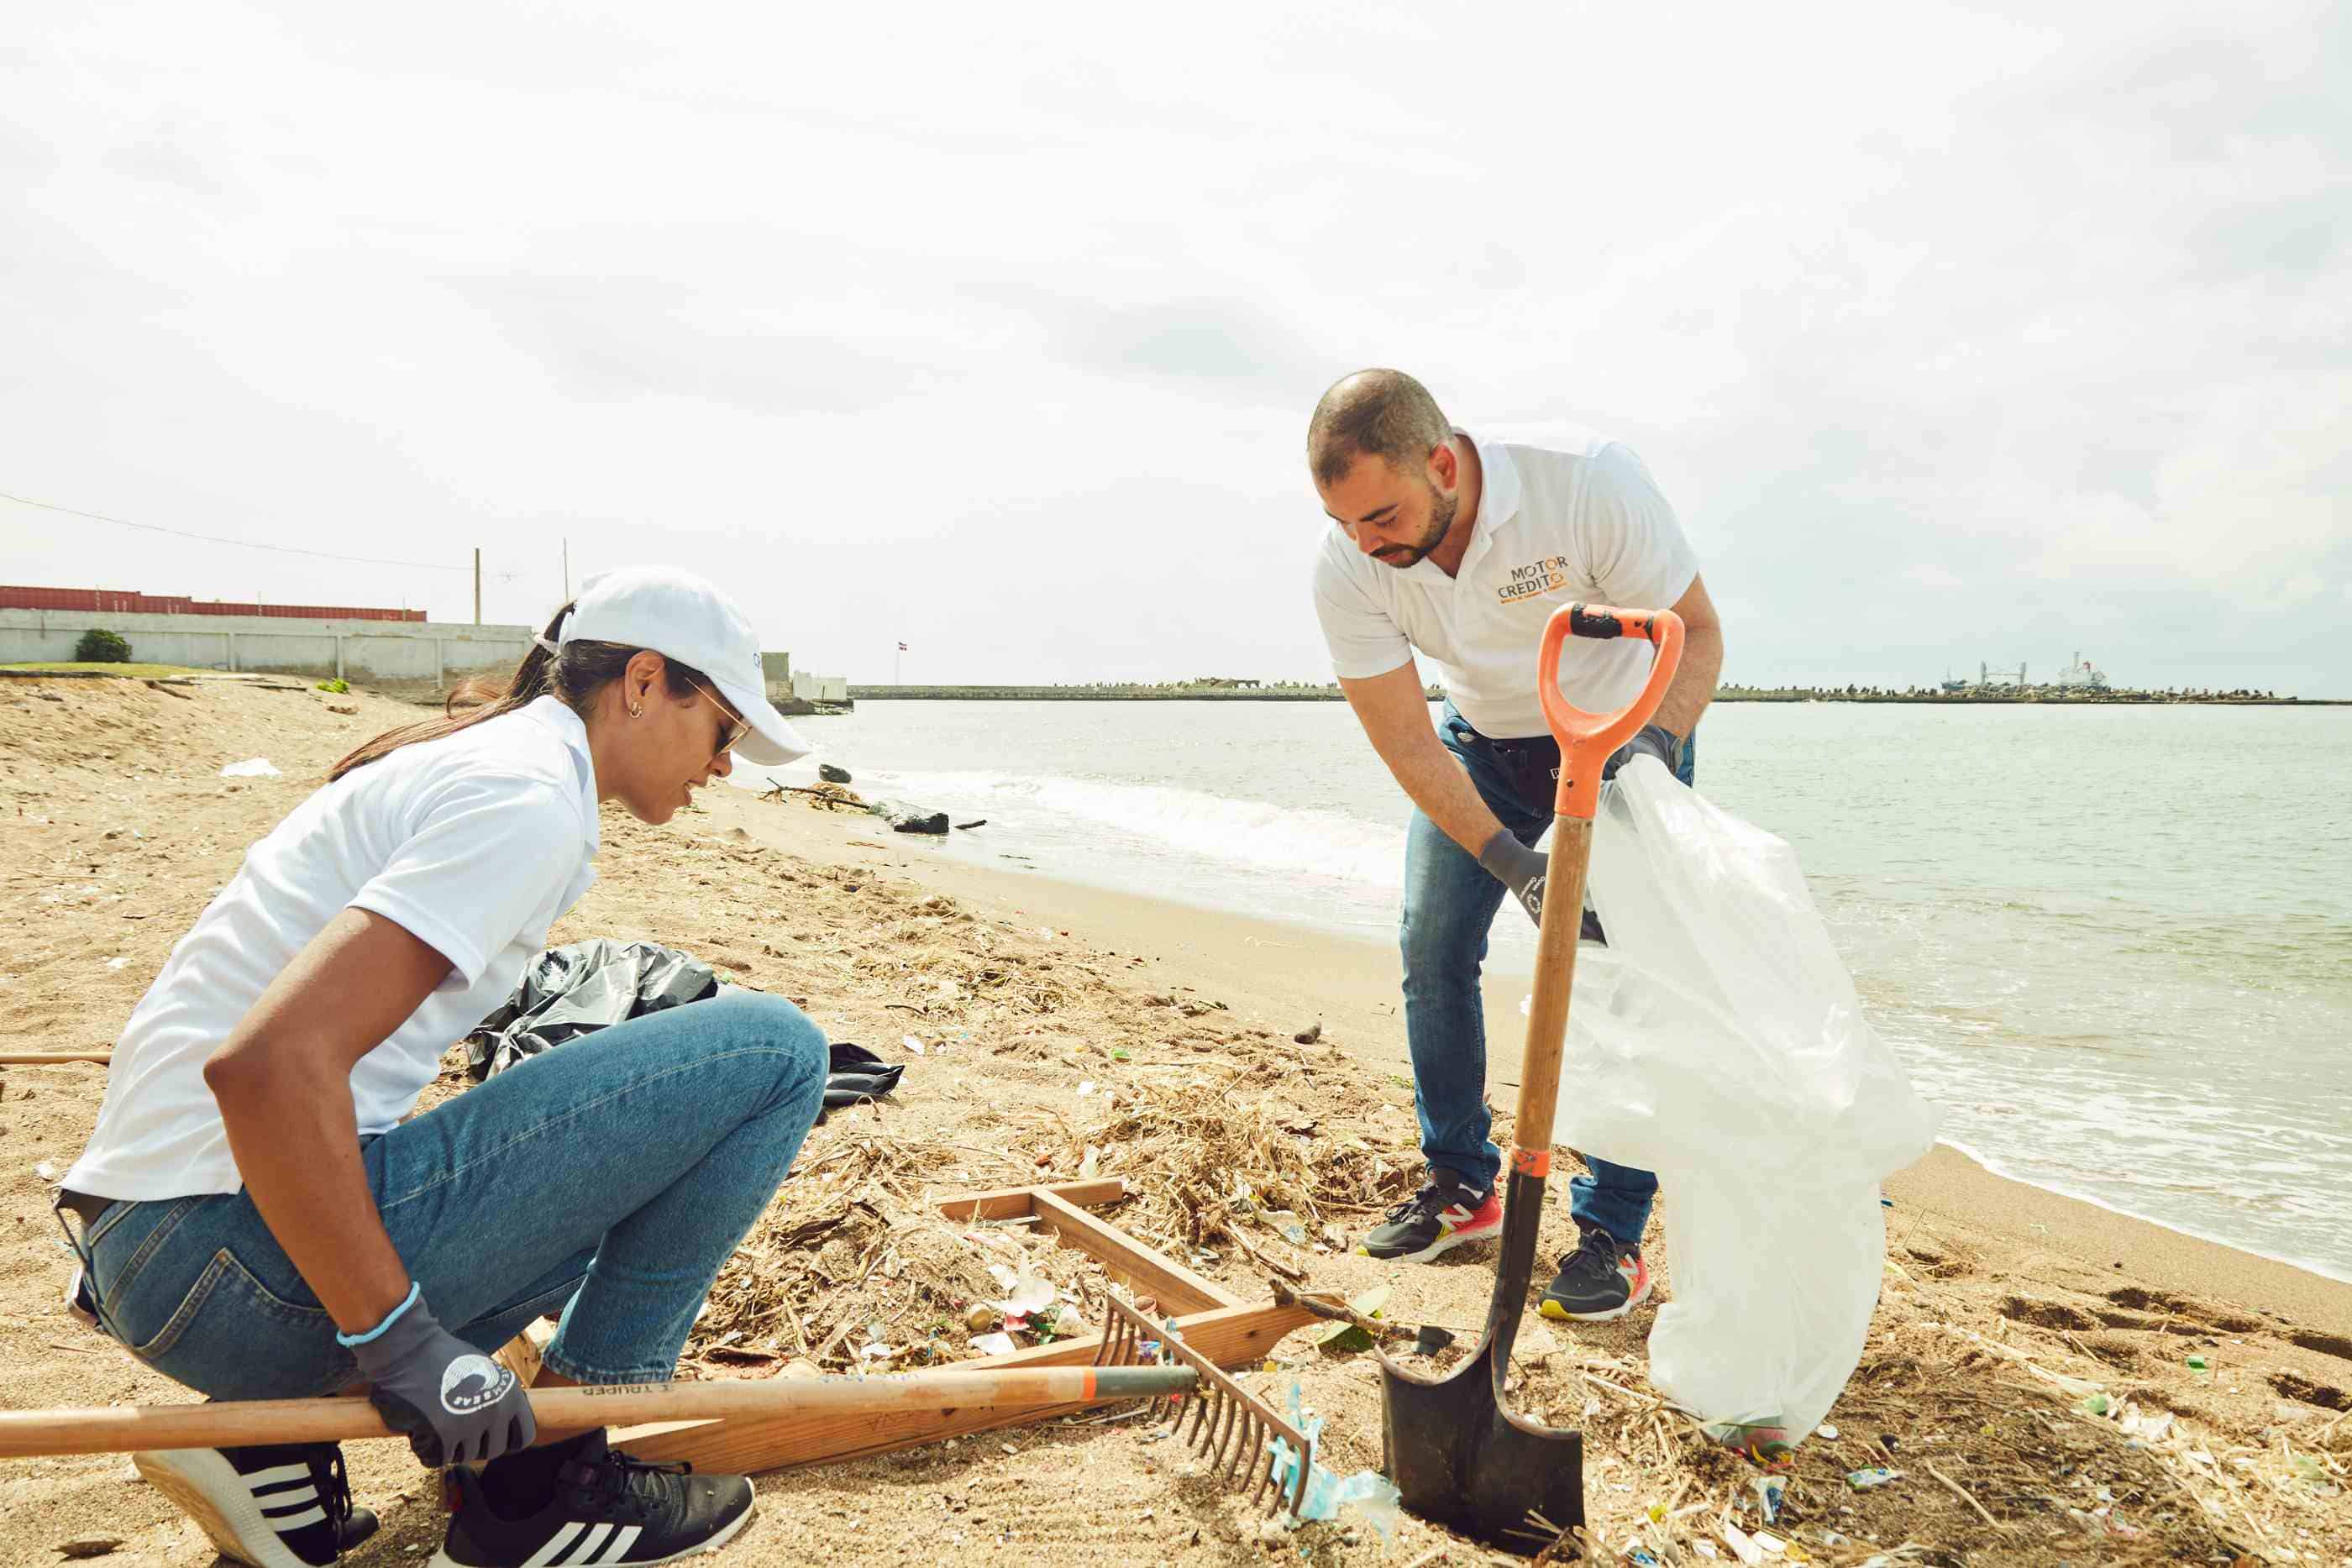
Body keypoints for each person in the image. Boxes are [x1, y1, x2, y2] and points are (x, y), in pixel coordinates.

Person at [53, 565, 824, 1568]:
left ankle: (265, 1444)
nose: (724, 766)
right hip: (224, 1260)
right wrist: (402, 1343)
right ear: (642, 683)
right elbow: (268, 1065)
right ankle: (547, 1481)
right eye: (723, 729)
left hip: (156, 1249)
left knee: (645, 1138)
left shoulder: (488, 761)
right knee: (772, 1053)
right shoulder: (525, 796)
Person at [1306, 370, 1725, 1323]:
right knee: (1431, 942)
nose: (1367, 543)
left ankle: (1611, 1230)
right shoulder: (1349, 564)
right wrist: (1511, 862)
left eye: (1380, 514)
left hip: (1624, 733)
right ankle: (1464, 1185)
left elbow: (1696, 635)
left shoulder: (1584, 482)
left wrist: (1645, 763)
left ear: (1443, 462)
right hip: (1480, 746)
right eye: (1344, 523)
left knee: (1621, 975)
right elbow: (1407, 738)